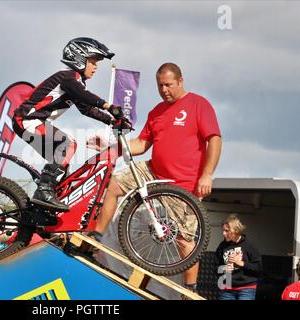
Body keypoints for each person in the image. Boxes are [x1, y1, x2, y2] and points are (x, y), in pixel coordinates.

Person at [86, 62, 222, 294]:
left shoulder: (199, 104)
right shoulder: (157, 112)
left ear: (180, 81)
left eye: (168, 85)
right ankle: (96, 237)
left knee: (185, 240)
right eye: (160, 86)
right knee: (114, 184)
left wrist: (207, 174)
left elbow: (215, 139)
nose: (164, 90)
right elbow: (141, 144)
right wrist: (111, 146)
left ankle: (190, 290)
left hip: (184, 184)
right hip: (153, 171)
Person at [13, 37, 122, 215]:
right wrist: (109, 106)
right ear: (79, 58)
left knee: (62, 172)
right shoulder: (69, 77)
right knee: (67, 144)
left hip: (33, 122)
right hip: (26, 119)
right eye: (93, 61)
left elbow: (86, 109)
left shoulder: (76, 82)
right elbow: (84, 95)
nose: (95, 67)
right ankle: (44, 191)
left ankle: (42, 211)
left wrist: (112, 120)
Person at [215, 214, 261, 300]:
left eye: (227, 231)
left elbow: (258, 268)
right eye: (223, 230)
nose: (223, 233)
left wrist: (241, 263)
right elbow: (215, 267)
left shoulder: (249, 245)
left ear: (235, 230)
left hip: (246, 288)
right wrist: (224, 268)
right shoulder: (222, 246)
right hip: (226, 288)